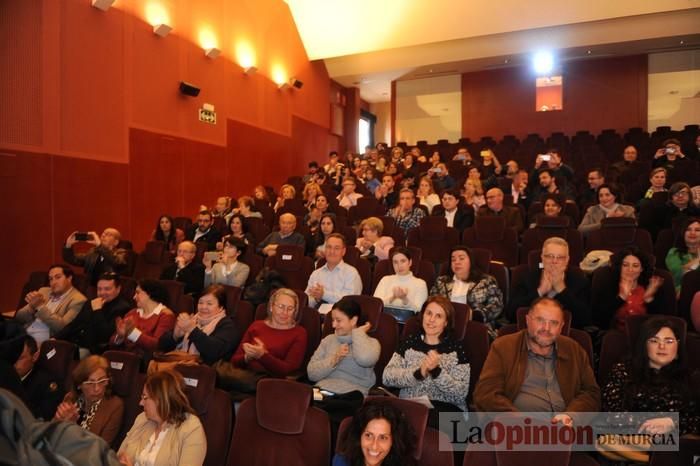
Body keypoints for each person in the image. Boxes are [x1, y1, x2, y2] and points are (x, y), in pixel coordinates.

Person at [473, 296, 600, 424]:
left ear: (561, 327)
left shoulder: (574, 350)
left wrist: (571, 416)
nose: (546, 328)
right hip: (517, 429)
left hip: (565, 430)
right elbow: (486, 393)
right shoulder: (504, 347)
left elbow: (591, 393)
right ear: (528, 320)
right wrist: (516, 419)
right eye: (540, 320)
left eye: (554, 323)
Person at [601, 316, 700, 457]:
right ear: (644, 345)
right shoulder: (622, 371)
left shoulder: (690, 377)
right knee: (606, 442)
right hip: (634, 442)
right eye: (654, 340)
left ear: (677, 348)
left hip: (677, 445)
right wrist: (654, 426)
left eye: (669, 341)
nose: (662, 346)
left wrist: (672, 422)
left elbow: (695, 419)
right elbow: (612, 416)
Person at [383, 296, 471, 425]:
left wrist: (437, 372)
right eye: (429, 313)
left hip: (445, 410)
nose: (431, 320)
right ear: (422, 315)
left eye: (439, 316)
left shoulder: (456, 349)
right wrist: (418, 373)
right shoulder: (409, 343)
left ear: (446, 322)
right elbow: (387, 377)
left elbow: (461, 393)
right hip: (411, 407)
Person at [118, 369, 206, 466]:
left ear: (161, 400)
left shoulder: (191, 428)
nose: (141, 403)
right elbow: (119, 456)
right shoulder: (142, 418)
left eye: (145, 397)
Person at [506, 237, 591, 328]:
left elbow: (585, 320)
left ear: (567, 260)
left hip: (566, 335)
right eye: (549, 256)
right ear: (542, 258)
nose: (554, 261)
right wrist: (540, 292)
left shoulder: (580, 281)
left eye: (560, 257)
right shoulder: (526, 278)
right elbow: (511, 314)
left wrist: (562, 290)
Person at [307, 297, 380, 395]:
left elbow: (365, 359)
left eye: (338, 320)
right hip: (322, 392)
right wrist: (334, 359)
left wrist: (358, 333)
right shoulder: (328, 340)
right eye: (333, 320)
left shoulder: (371, 343)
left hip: (352, 395)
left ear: (353, 320)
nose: (333, 325)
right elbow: (311, 373)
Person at [228, 288, 307, 377]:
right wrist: (247, 357)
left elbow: (288, 369)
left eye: (290, 308)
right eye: (281, 307)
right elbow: (234, 361)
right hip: (245, 378)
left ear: (295, 311)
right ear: (271, 307)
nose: (285, 312)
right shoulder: (256, 326)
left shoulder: (299, 333)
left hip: (272, 384)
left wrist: (262, 356)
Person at [159, 285, 239, 366]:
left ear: (221, 307)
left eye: (209, 304)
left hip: (204, 372)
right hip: (180, 364)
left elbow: (214, 351)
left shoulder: (227, 326)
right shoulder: (193, 319)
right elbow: (161, 346)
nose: (203, 307)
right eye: (200, 302)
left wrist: (192, 330)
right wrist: (174, 336)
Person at [54, 355, 124, 447]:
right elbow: (51, 433)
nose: (97, 389)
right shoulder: (71, 398)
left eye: (102, 381)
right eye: (90, 383)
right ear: (79, 385)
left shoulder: (115, 406)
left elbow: (100, 449)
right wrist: (58, 420)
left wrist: (71, 426)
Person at [55, 272, 131, 355]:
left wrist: (97, 310)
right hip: (73, 343)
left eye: (107, 289)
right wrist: (55, 338)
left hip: (93, 350)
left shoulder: (122, 308)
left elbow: (105, 336)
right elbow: (74, 324)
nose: (102, 293)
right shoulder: (92, 302)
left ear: (118, 289)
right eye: (99, 289)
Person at [592, 246, 665, 330]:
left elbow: (661, 323)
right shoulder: (607, 286)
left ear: (641, 269)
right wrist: (621, 298)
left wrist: (649, 299)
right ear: (620, 267)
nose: (630, 270)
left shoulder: (651, 288)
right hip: (614, 336)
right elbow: (599, 320)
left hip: (643, 336)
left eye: (635, 266)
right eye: (625, 265)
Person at [431, 246, 503, 332]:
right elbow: (432, 302)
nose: (457, 262)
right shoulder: (441, 281)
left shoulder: (486, 281)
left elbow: (496, 306)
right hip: (445, 325)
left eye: (461, 258)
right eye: (453, 260)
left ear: (471, 261)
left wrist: (475, 315)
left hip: (476, 325)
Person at [14, 264, 87, 345]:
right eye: (50, 279)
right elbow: (19, 317)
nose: (53, 282)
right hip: (26, 333)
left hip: (47, 340)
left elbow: (63, 329)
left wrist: (40, 307)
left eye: (58, 277)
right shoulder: (44, 291)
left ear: (69, 278)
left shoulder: (78, 300)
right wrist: (31, 307)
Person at [333, 399, 417, 466]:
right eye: (368, 435)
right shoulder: (342, 461)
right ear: (359, 436)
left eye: (383, 438)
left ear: (393, 441)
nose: (374, 446)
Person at [109, 280, 175, 359]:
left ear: (149, 293)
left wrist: (132, 333)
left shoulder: (166, 316)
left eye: (137, 293)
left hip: (146, 362)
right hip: (125, 358)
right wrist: (120, 336)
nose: (134, 297)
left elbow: (157, 346)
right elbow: (112, 343)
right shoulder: (132, 313)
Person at [306, 234, 363, 309]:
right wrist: (316, 299)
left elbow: (350, 302)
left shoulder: (351, 273)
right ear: (325, 250)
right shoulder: (316, 273)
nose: (332, 251)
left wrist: (324, 295)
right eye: (329, 247)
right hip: (317, 315)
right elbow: (307, 301)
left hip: (341, 317)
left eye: (336, 248)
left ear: (343, 251)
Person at [15, 335, 64, 421]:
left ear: (35, 356)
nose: (13, 362)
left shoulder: (47, 383)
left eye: (20, 358)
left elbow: (43, 418)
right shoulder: (5, 377)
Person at [373, 248, 428, 323]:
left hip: (408, 323)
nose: (399, 265)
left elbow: (419, 311)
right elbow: (376, 304)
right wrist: (392, 298)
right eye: (395, 262)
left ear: (410, 262)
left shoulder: (420, 283)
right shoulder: (385, 280)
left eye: (403, 261)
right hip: (384, 321)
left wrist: (404, 299)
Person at [63, 228, 128, 285]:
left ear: (116, 242)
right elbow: (72, 259)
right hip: (91, 287)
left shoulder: (121, 252)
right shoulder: (93, 252)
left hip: (110, 287)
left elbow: (118, 263)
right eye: (103, 233)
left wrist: (100, 246)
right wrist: (68, 245)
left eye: (108, 234)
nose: (103, 235)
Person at [666, 217, 700, 293]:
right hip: (681, 291)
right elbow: (679, 274)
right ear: (683, 232)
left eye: (697, 230)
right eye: (688, 229)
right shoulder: (674, 252)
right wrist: (698, 260)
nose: (692, 233)